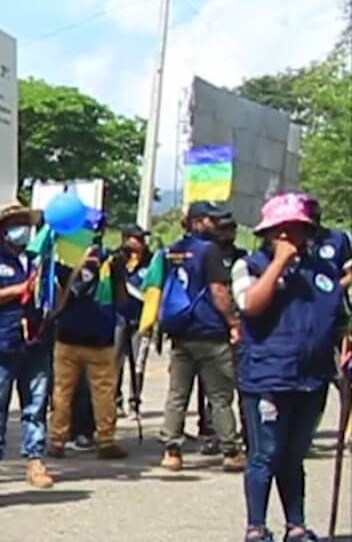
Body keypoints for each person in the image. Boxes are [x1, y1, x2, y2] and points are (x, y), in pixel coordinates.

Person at [231, 193, 349, 542]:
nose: (292, 237)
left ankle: (296, 528)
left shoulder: (321, 271)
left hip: (311, 378)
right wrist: (279, 263)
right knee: (265, 455)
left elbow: (338, 318)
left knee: (294, 456)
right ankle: (256, 530)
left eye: (298, 230)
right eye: (283, 231)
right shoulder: (249, 265)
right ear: (269, 234)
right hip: (267, 376)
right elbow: (250, 305)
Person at [159, 202, 244, 472]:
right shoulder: (210, 251)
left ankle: (171, 450)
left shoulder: (173, 250)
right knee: (220, 395)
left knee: (177, 394)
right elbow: (218, 290)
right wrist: (232, 321)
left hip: (181, 329)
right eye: (210, 220)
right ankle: (230, 451)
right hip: (209, 330)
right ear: (197, 222)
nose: (215, 225)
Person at [0, 203, 56, 488]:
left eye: (24, 222)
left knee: (35, 405)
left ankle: (35, 460)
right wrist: (18, 291)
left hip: (36, 341)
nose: (22, 227)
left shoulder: (40, 261)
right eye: (14, 222)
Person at [47, 231, 131, 461]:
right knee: (104, 392)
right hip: (99, 338)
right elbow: (123, 301)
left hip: (69, 336)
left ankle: (57, 439)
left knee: (62, 393)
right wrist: (118, 273)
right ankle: (106, 440)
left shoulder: (65, 266)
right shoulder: (109, 265)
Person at [113, 226, 150, 417]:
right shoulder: (116, 260)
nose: (141, 243)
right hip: (119, 318)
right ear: (126, 239)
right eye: (137, 239)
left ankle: (135, 402)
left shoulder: (151, 261)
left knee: (138, 362)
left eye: (142, 239)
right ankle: (115, 401)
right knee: (115, 361)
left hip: (142, 319)